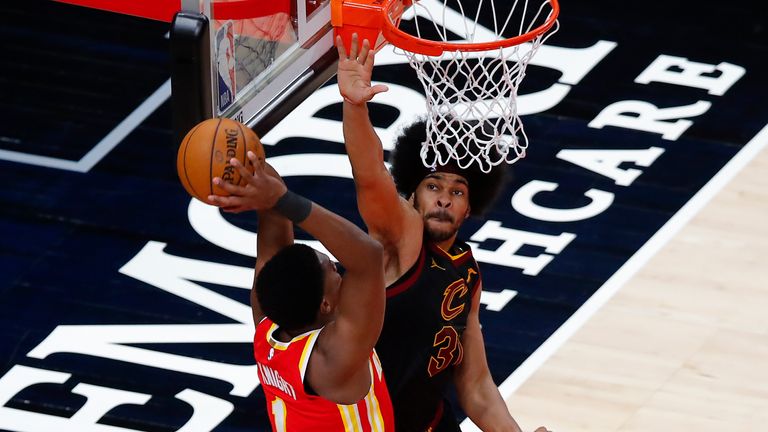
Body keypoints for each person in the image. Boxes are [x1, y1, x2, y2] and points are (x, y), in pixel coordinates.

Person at [336, 34, 549, 432]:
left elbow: (476, 385)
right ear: (411, 195)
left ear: (470, 208)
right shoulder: (399, 237)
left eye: (458, 191)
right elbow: (370, 174)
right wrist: (355, 106)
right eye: (433, 186)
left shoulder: (467, 271)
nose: (445, 199)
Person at [207, 152, 394, 431]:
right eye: (332, 270)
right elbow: (368, 256)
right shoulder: (333, 359)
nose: (338, 268)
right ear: (325, 304)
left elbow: (273, 220)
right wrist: (283, 199)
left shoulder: (267, 326)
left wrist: (244, 161)